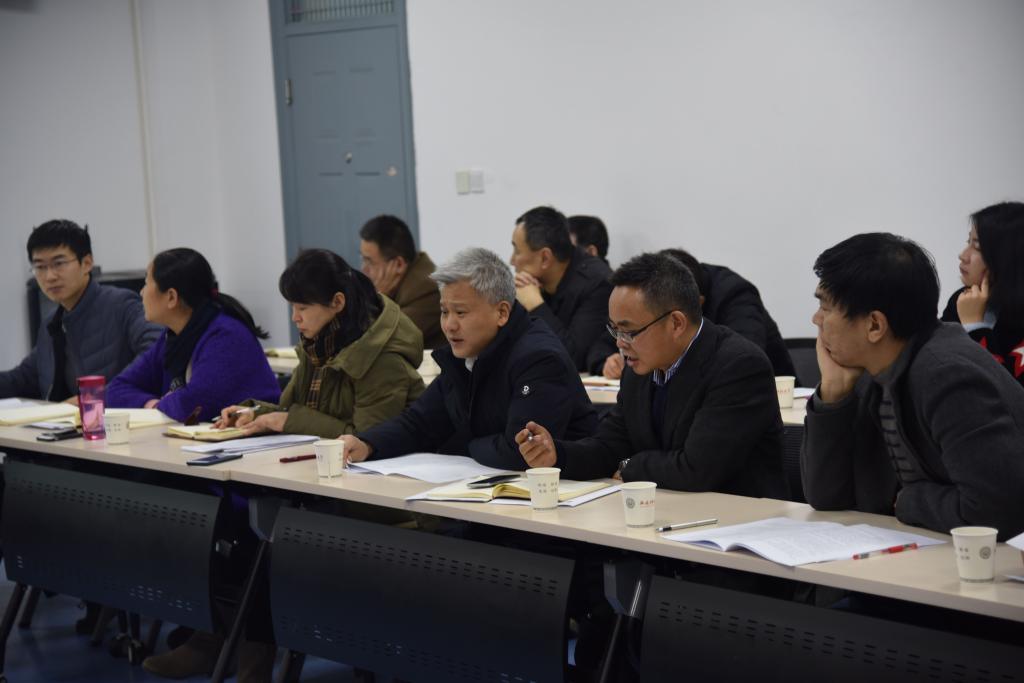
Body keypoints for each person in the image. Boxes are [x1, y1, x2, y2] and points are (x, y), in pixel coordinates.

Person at [802, 233, 1024, 540]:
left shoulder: (948, 377)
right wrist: (832, 394)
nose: (816, 319)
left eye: (825, 307)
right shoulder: (870, 370)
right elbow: (827, 498)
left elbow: (994, 513)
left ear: (875, 325)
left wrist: (910, 501)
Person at [516, 252, 785, 497]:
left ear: (676, 323)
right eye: (614, 330)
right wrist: (557, 454)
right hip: (667, 511)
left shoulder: (738, 366)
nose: (620, 343)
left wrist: (630, 465)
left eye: (629, 331)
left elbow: (696, 470)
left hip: (740, 520)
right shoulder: (640, 367)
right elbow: (611, 444)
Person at [341, 247, 597, 470]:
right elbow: (420, 422)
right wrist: (367, 444)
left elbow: (520, 453)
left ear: (502, 313)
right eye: (444, 312)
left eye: (461, 313)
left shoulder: (539, 359)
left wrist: (466, 443)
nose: (449, 325)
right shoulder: (467, 352)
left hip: (561, 495)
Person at [218, 248, 425, 439]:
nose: (295, 318)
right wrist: (256, 414)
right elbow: (293, 411)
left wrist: (286, 421)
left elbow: (367, 439)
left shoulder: (381, 358)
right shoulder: (318, 346)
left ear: (337, 302)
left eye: (303, 308)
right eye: (293, 307)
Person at [105, 248, 280, 422]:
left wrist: (165, 404)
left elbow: (192, 405)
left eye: (146, 283)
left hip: (258, 437)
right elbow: (115, 390)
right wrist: (153, 405)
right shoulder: (171, 337)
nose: (141, 292)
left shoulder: (226, 336)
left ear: (171, 297)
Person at [0, 219, 160, 401]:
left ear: (87, 263)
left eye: (59, 263)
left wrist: (96, 397)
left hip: (120, 415)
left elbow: (156, 350)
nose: (49, 276)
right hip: (72, 418)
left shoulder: (122, 305)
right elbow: (21, 379)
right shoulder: (52, 324)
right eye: (40, 267)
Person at [510, 206, 617, 374]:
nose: (511, 261)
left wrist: (536, 306)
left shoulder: (598, 283)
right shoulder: (534, 284)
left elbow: (573, 359)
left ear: (545, 257)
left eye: (517, 250)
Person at [940, 201, 1024, 389]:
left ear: (1007, 257)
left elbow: (1007, 393)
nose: (963, 255)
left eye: (977, 247)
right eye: (968, 242)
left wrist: (975, 327)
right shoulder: (964, 298)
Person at [359, 214, 445, 349]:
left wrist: (380, 298)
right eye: (363, 259)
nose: (364, 269)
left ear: (399, 264)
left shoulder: (426, 289)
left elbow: (379, 340)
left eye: (369, 261)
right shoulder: (406, 280)